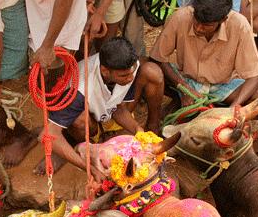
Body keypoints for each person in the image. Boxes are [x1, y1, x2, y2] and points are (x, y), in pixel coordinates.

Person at [38, 37, 164, 178]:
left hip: (105, 111)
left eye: (132, 72)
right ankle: (86, 149)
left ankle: (108, 138)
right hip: (85, 119)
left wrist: (137, 129)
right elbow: (48, 135)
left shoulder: (127, 67)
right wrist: (89, 168)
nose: (130, 78)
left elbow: (117, 107)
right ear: (104, 71)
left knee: (152, 71)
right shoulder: (80, 90)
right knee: (79, 120)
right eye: (124, 76)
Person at [145, 0, 258, 108]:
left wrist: (233, 109)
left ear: (223, 19)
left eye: (206, 25)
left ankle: (207, 104)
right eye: (196, 20)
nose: (198, 28)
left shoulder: (240, 25)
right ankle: (179, 101)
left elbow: (255, 76)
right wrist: (183, 89)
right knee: (147, 70)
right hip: (186, 81)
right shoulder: (180, 17)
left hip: (222, 86)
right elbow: (157, 58)